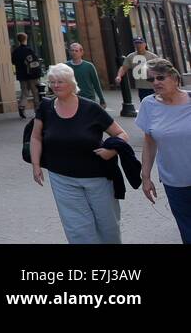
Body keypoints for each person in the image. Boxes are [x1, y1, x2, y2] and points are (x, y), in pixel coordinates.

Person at [30, 63, 130, 244]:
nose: (55, 85)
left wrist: (111, 150)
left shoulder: (91, 108)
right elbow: (36, 137)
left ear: (71, 83)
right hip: (61, 177)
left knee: (107, 226)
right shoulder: (45, 107)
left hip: (97, 176)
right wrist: (36, 165)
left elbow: (121, 134)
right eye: (52, 82)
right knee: (77, 228)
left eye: (60, 81)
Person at [136, 57, 191, 243]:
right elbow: (149, 142)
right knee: (187, 230)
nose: (156, 83)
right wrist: (145, 177)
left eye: (160, 77)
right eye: (151, 80)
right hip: (174, 181)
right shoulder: (148, 104)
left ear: (175, 78)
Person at [11, 32, 44, 119]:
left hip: (22, 75)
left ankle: (21, 107)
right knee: (35, 93)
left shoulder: (16, 51)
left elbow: (13, 62)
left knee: (24, 92)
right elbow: (35, 62)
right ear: (26, 39)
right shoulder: (29, 50)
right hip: (32, 75)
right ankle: (37, 110)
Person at [67, 42, 107, 108]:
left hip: (88, 98)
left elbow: (96, 83)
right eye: (72, 50)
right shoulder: (66, 66)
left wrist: (102, 99)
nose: (74, 52)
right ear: (69, 52)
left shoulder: (89, 66)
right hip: (73, 98)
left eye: (76, 51)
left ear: (81, 52)